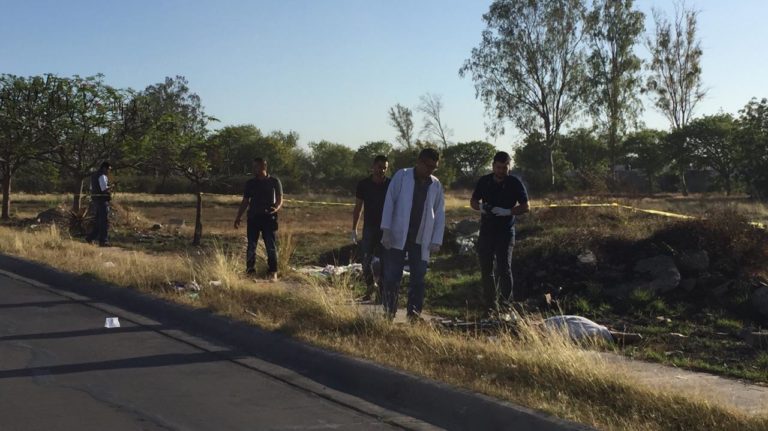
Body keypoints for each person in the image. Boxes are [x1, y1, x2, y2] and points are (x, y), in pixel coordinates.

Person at [380, 148, 445, 321]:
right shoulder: (402, 176)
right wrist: (386, 230)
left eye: (434, 167)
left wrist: (436, 240)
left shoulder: (436, 184)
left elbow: (439, 213)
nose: (430, 170)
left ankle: (414, 315)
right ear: (419, 161)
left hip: (420, 239)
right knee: (392, 277)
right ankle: (389, 313)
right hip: (397, 236)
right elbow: (389, 202)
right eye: (428, 166)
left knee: (418, 279)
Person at [470, 151, 529, 313]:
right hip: (487, 230)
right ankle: (490, 304)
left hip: (505, 230)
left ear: (509, 167)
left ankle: (505, 304)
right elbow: (473, 201)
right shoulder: (484, 181)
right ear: (493, 166)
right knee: (486, 268)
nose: (501, 171)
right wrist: (481, 207)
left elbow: (526, 206)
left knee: (504, 268)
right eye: (498, 167)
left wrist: (508, 211)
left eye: (505, 168)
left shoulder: (514, 183)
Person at [234, 158, 283, 281]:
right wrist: (238, 216)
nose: (253, 169)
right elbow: (245, 201)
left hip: (269, 218)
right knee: (251, 246)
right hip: (253, 218)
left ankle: (273, 272)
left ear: (263, 166)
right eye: (253, 166)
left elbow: (280, 198)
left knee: (270, 246)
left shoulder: (274, 181)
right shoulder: (250, 183)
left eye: (256, 166)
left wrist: (276, 208)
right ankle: (250, 272)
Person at [352, 155, 390, 302]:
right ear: (373, 166)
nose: (382, 170)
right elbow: (358, 207)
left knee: (382, 262)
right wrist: (354, 229)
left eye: (385, 168)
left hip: (385, 228)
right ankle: (370, 285)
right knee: (365, 260)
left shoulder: (390, 184)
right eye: (379, 167)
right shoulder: (363, 184)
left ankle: (381, 292)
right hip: (369, 227)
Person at [86, 161, 112, 247]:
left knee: (98, 221)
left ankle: (90, 237)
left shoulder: (93, 176)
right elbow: (104, 189)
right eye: (109, 169)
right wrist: (111, 187)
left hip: (96, 200)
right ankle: (103, 241)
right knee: (104, 221)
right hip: (102, 200)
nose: (109, 171)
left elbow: (91, 188)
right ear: (104, 168)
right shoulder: (102, 176)